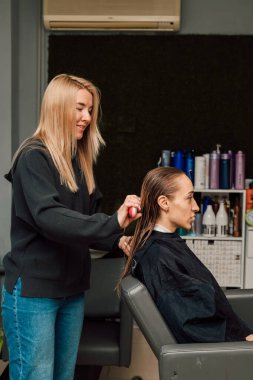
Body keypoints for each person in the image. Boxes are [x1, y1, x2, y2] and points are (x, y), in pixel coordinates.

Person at [1, 73, 141, 380]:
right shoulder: (32, 158)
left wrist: (117, 239)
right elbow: (51, 218)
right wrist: (113, 222)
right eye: (80, 108)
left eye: (90, 110)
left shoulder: (78, 162)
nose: (87, 118)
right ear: (58, 107)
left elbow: (87, 221)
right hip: (35, 292)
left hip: (71, 290)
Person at [119, 166, 253, 343]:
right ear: (164, 202)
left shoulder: (164, 244)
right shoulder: (159, 257)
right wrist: (242, 340)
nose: (196, 207)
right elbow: (190, 328)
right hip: (226, 350)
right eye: (189, 198)